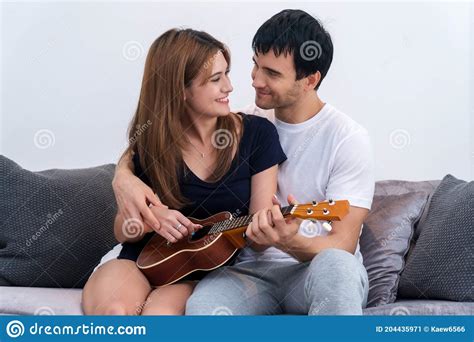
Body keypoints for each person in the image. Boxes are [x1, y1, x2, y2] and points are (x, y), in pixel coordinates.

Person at [114, 9, 375, 315]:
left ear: (310, 80)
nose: (255, 81)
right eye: (255, 65)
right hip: (249, 273)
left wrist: (288, 242)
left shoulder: (348, 139)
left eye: (272, 74)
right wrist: (123, 176)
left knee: (338, 266)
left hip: (314, 270)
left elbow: (342, 243)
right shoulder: (246, 123)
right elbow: (162, 138)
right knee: (203, 307)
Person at [81, 28, 287, 315]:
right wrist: (151, 220)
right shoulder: (151, 143)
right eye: (216, 79)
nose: (229, 87)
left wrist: (276, 232)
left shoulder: (258, 136)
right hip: (138, 261)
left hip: (194, 273)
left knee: (159, 318)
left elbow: (257, 231)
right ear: (180, 89)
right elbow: (123, 229)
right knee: (115, 312)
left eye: (227, 73)